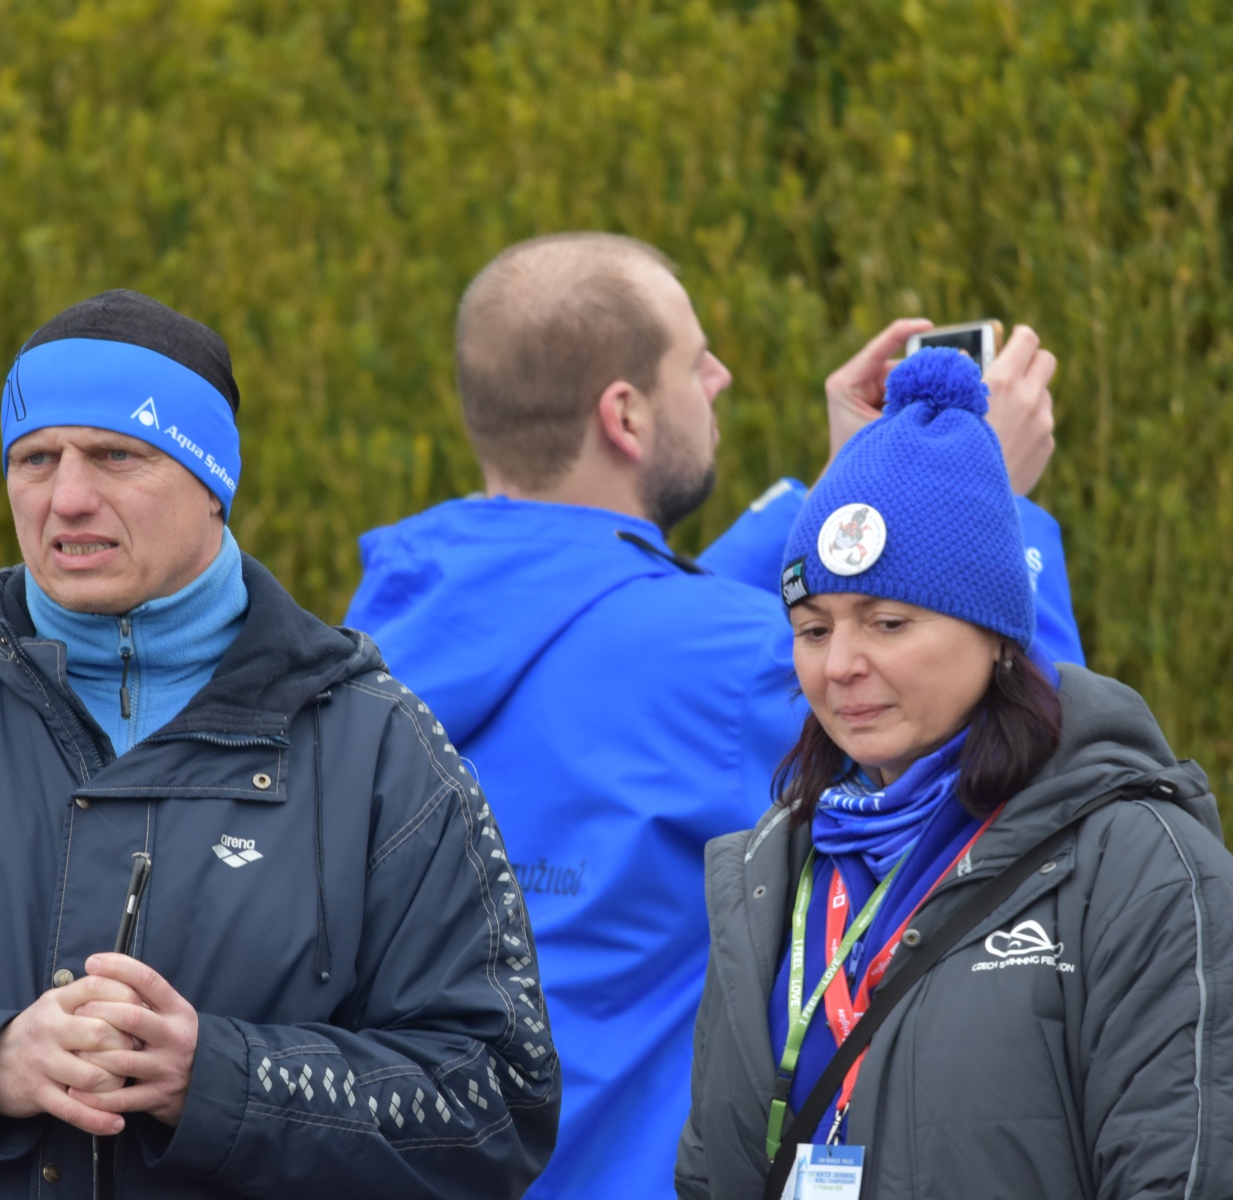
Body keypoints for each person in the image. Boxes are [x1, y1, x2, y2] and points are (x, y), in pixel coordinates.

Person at [0, 290, 559, 1198]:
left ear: (213, 481)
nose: (68, 499)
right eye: (35, 459)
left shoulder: (379, 749)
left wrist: (219, 1082)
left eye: (117, 455)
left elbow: (496, 1099)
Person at [344, 231, 1083, 1199]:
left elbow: (619, 609)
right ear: (625, 415)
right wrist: (985, 507)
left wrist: (847, 497)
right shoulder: (726, 667)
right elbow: (1033, 768)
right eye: (695, 362)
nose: (721, 377)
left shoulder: (376, 633)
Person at [677, 348, 1233, 1199]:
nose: (840, 664)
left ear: (998, 635)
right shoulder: (770, 875)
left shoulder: (1146, 875)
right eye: (813, 629)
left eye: (887, 622)